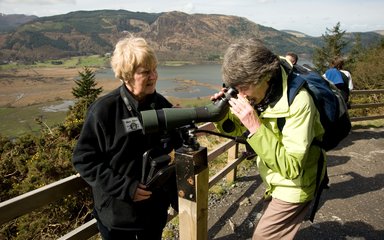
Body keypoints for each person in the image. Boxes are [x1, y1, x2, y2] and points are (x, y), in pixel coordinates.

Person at [211, 38, 326, 239]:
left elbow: (292, 167)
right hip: (274, 180)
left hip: (295, 185)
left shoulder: (299, 103)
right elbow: (238, 131)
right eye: (234, 87)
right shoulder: (261, 93)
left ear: (264, 76)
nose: (241, 94)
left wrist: (255, 126)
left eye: (243, 87)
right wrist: (223, 115)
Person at [72, 36, 182, 240]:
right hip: (118, 218)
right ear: (126, 75)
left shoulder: (161, 105)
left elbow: (178, 144)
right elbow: (83, 160)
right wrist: (125, 187)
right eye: (145, 72)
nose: (154, 76)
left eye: (155, 69)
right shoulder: (104, 110)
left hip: (154, 214)